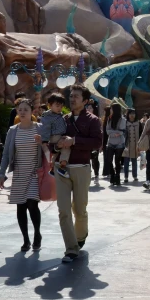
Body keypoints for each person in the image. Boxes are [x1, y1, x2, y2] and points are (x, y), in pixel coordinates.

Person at [52, 84, 102, 263]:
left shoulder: (93, 120)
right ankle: (71, 249)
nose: (72, 99)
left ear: (85, 101)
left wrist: (74, 141)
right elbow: (51, 143)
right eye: (71, 95)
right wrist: (56, 145)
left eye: (76, 96)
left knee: (79, 209)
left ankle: (80, 237)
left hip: (81, 168)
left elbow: (97, 143)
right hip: (61, 168)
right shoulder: (61, 119)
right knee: (63, 210)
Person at [0, 98, 44, 252]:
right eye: (20, 109)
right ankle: (26, 239)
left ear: (32, 112)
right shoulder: (13, 130)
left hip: (34, 173)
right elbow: (5, 154)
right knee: (21, 207)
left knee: (32, 204)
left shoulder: (39, 128)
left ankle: (37, 234)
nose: (22, 112)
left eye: (26, 109)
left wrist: (42, 143)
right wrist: (1, 174)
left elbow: (48, 149)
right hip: (18, 174)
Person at [40, 93, 69, 177]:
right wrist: (45, 140)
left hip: (58, 135)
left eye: (61, 106)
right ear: (50, 105)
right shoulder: (48, 116)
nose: (60, 108)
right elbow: (45, 129)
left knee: (56, 154)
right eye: (57, 106)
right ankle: (62, 167)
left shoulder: (57, 114)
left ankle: (52, 169)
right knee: (66, 147)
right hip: (56, 136)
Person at [105, 103, 127, 186]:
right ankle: (112, 174)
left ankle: (117, 176)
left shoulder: (122, 119)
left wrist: (113, 132)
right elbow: (107, 131)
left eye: (111, 109)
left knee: (117, 161)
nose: (110, 110)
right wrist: (114, 133)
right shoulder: (109, 119)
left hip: (119, 143)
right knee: (108, 160)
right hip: (110, 142)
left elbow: (121, 131)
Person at [122, 108, 141, 183]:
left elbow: (141, 133)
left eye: (133, 113)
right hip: (127, 146)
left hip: (135, 145)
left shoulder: (138, 123)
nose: (132, 115)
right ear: (128, 115)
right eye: (130, 114)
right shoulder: (125, 123)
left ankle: (135, 176)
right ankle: (126, 177)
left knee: (134, 162)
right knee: (126, 162)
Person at [86, 99, 102, 184]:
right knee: (87, 158)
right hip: (87, 142)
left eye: (90, 108)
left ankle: (96, 175)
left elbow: (101, 132)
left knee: (95, 159)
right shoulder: (84, 118)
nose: (88, 109)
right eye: (87, 108)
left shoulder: (97, 119)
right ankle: (88, 174)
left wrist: (101, 144)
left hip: (95, 142)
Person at [101, 105, 111, 179]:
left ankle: (107, 171)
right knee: (107, 157)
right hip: (107, 140)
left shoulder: (106, 119)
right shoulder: (107, 119)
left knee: (106, 157)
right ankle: (107, 171)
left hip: (106, 141)